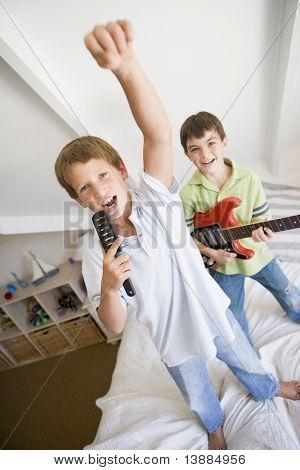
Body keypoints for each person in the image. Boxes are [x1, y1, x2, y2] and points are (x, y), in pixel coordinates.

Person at [55, 21, 300, 450]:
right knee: (196, 391)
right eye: (85, 188)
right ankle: (214, 424)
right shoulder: (99, 254)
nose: (99, 190)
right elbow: (112, 326)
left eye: (103, 175)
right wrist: (111, 287)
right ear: (80, 202)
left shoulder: (155, 198)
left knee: (242, 354)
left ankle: (268, 388)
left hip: (210, 306)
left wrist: (127, 67)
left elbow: (158, 132)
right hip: (170, 336)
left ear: (123, 173)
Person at [179, 111, 300, 343]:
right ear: (187, 154)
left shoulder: (249, 178)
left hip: (259, 257)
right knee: (234, 316)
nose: (205, 154)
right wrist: (211, 252)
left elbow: (261, 217)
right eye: (195, 149)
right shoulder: (188, 193)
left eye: (211, 143)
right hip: (222, 267)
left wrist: (260, 230)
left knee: (288, 292)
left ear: (224, 141)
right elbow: (184, 236)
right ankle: (249, 355)